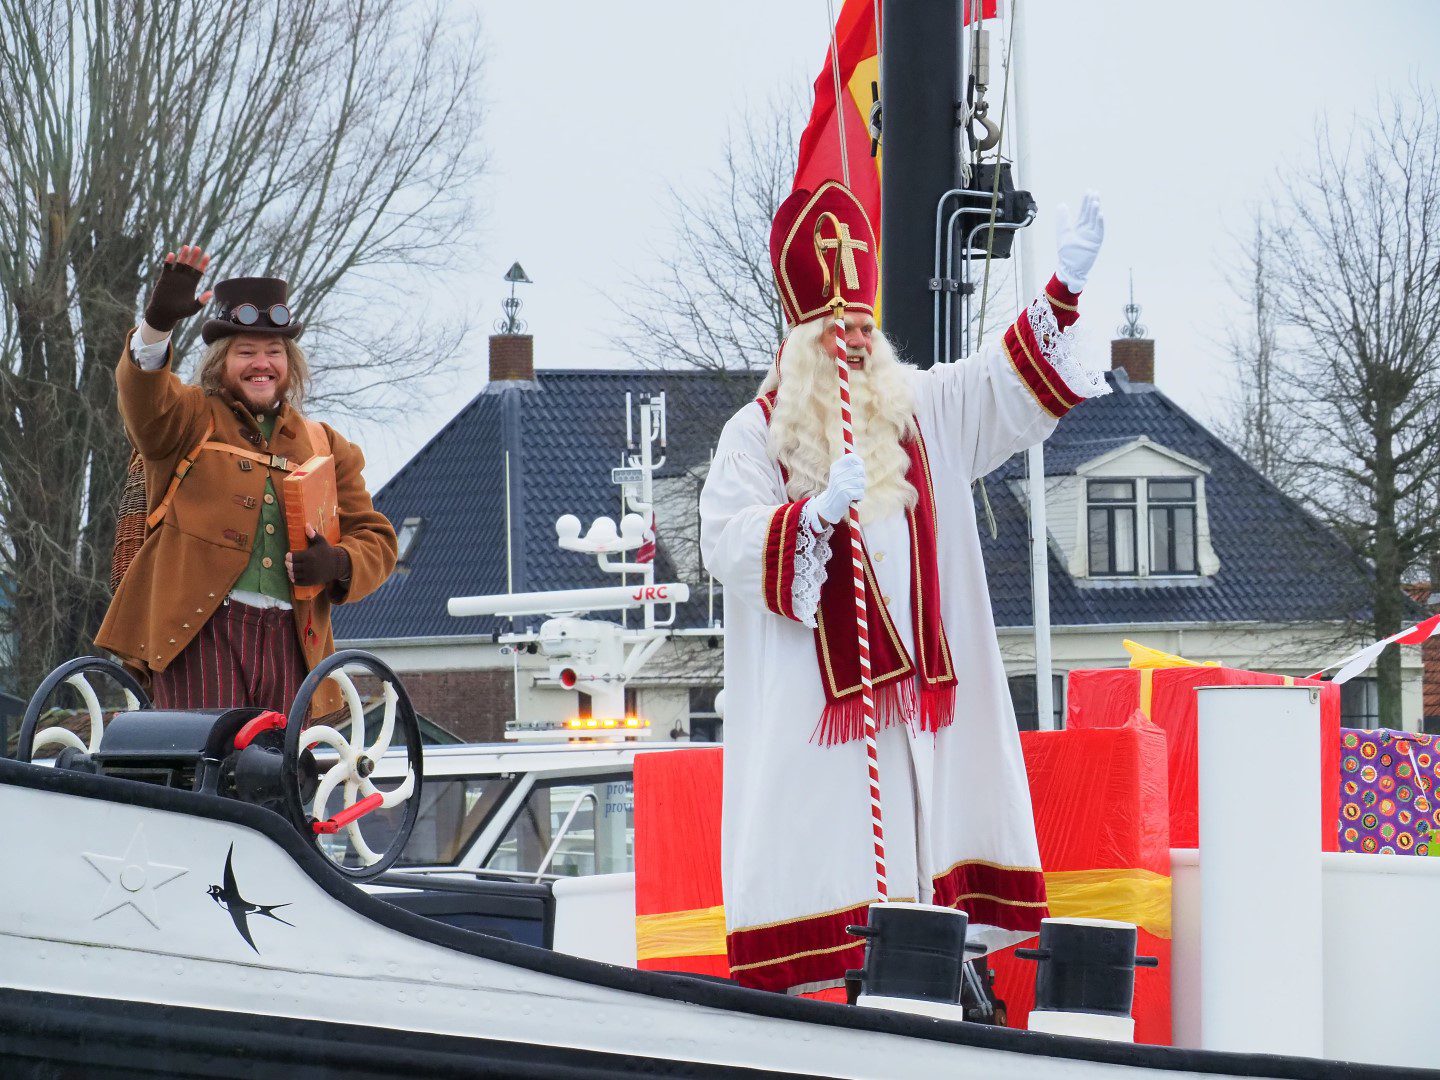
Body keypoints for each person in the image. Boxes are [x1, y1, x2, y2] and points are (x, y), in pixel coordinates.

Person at [699, 181, 1109, 995]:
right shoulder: (753, 436)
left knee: (930, 898)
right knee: (834, 903)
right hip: (819, 736)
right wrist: (811, 517)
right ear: (799, 333)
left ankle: (946, 986)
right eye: (834, 330)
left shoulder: (922, 406)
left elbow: (1001, 384)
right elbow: (725, 539)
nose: (851, 342)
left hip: (926, 722)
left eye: (861, 326)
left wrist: (1061, 290)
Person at [96, 245, 397, 717]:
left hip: (292, 644)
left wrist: (338, 563)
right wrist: (156, 327)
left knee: (276, 780)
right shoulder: (188, 418)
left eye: (274, 351)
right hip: (197, 636)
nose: (262, 363)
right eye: (247, 352)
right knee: (207, 771)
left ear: (290, 364)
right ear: (221, 362)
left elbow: (377, 540)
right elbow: (142, 399)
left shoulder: (325, 444)